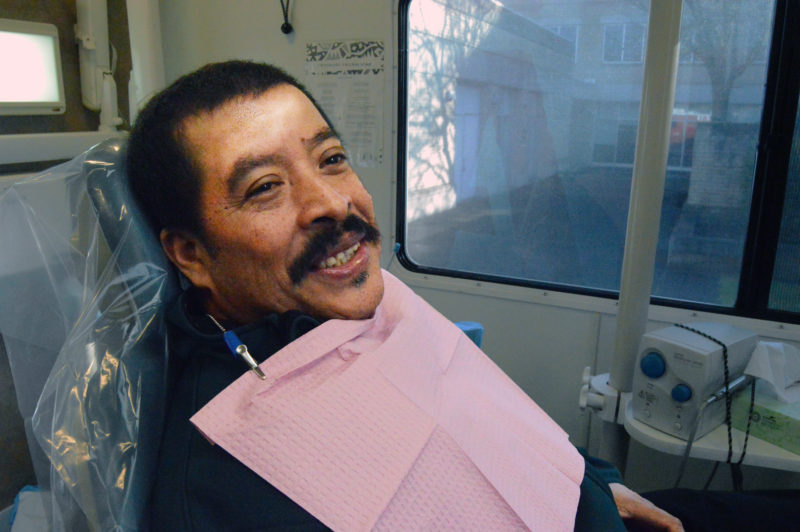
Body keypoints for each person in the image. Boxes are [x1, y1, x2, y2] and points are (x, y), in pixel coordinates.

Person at [127, 60, 683, 531]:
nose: (333, 204)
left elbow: (487, 416)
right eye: (265, 187)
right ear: (191, 254)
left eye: (331, 159)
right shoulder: (221, 482)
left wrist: (589, 483)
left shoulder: (348, 304)